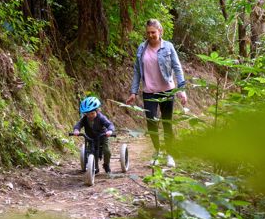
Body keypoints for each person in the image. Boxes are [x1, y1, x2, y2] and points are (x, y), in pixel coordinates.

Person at [125, 19, 187, 167]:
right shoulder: (141, 48)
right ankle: (157, 152)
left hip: (167, 91)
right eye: (148, 33)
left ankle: (170, 154)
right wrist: (133, 92)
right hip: (149, 92)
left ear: (160, 32)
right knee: (152, 123)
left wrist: (181, 89)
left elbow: (177, 68)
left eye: (153, 32)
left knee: (167, 124)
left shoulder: (168, 47)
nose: (151, 35)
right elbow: (137, 72)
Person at [73, 96, 115, 173]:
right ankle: (94, 167)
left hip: (102, 137)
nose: (90, 116)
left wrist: (110, 131)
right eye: (88, 114)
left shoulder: (101, 117)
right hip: (90, 138)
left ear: (97, 110)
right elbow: (79, 124)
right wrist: (76, 130)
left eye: (92, 113)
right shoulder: (85, 119)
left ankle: (106, 164)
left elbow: (109, 124)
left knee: (106, 151)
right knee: (91, 152)